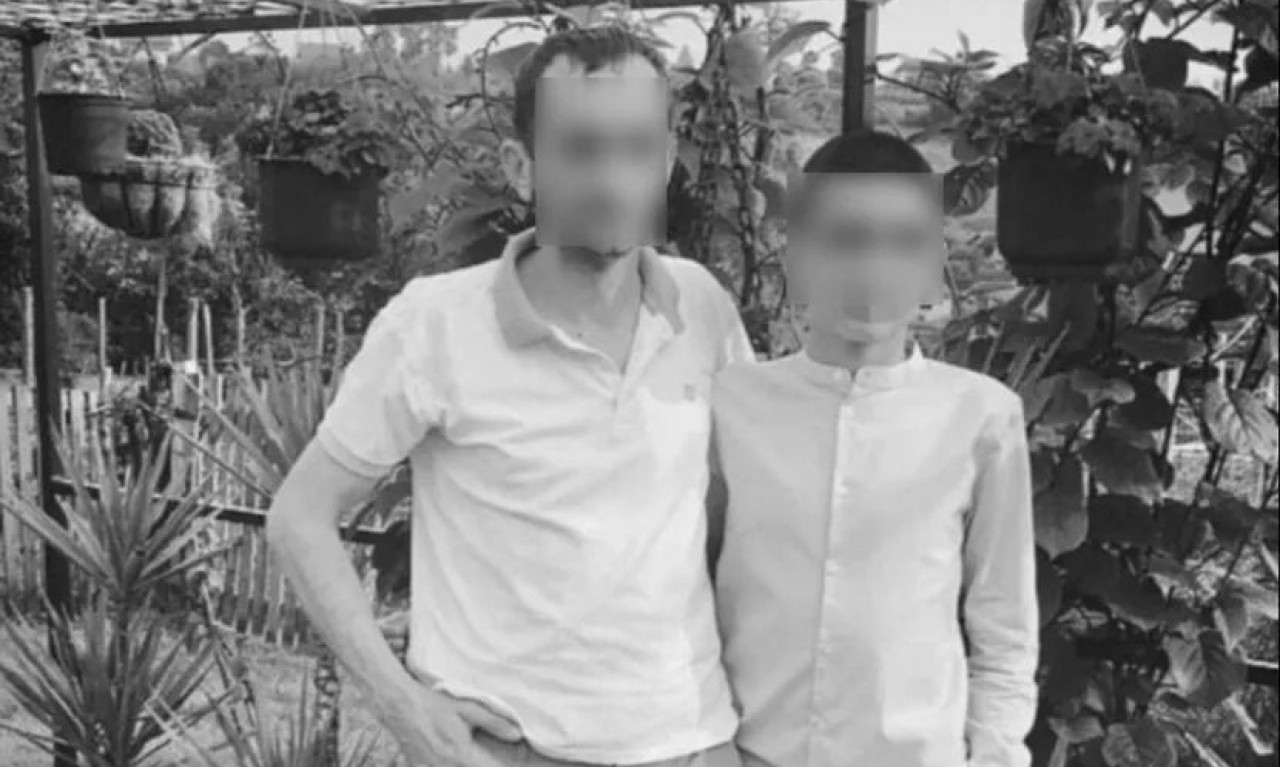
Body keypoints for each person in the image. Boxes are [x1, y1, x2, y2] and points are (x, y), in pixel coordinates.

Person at [264, 26, 751, 767]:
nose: (612, 179)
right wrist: (401, 703)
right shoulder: (434, 324)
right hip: (503, 749)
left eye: (637, 148)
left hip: (692, 744)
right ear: (521, 168)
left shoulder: (702, 306)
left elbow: (730, 502)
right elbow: (299, 518)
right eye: (581, 149)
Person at [709, 131, 1039, 767]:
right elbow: (684, 587)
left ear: (932, 264)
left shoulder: (981, 417)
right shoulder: (731, 405)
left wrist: (995, 755)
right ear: (797, 255)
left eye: (903, 242)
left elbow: (1005, 623)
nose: (874, 268)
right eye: (846, 239)